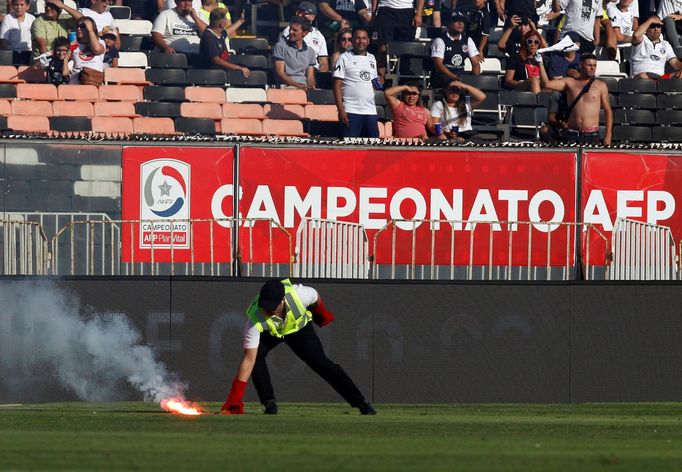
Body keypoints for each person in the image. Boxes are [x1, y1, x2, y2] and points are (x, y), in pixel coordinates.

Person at [220, 279, 377, 416]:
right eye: (264, 306)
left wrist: (320, 314)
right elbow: (249, 359)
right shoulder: (254, 317)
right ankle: (269, 403)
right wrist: (235, 397)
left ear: (282, 301)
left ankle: (362, 403)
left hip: (299, 330)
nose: (266, 311)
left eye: (271, 307)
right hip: (271, 333)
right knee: (256, 357)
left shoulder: (301, 295)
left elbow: (316, 298)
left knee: (321, 363)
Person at [539, 53, 612, 145]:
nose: (592, 68)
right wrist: (540, 64)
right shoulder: (570, 82)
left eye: (594, 65)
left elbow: (608, 111)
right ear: (581, 65)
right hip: (572, 133)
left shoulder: (600, 85)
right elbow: (547, 84)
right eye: (589, 65)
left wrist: (608, 136)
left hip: (591, 134)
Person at [333, 25, 380, 138]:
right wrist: (341, 110)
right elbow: (336, 86)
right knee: (350, 149)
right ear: (353, 41)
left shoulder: (372, 58)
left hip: (370, 111)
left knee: (373, 148)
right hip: (351, 110)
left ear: (368, 41)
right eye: (357, 38)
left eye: (364, 38)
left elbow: (373, 81)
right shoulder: (344, 58)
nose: (361, 41)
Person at [371, 0, 425, 76]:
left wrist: (419, 14)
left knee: (406, 49)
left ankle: (403, 79)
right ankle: (381, 78)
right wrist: (373, 13)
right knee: (382, 48)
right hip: (385, 9)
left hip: (407, 11)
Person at [430, 12, 482, 89]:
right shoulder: (440, 40)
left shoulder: (468, 40)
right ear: (448, 24)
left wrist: (475, 78)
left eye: (462, 21)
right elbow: (439, 65)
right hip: (444, 76)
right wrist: (455, 77)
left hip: (460, 75)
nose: (460, 23)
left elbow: (475, 63)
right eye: (456, 21)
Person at [280, 2, 329, 72]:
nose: (299, 15)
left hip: (314, 71)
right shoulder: (289, 30)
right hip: (295, 70)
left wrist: (321, 77)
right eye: (298, 12)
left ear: (312, 17)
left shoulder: (319, 35)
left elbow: (324, 62)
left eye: (303, 13)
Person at [199, 8, 249, 76]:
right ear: (222, 24)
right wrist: (239, 68)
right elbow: (217, 61)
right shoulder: (209, 37)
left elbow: (229, 31)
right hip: (212, 76)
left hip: (223, 73)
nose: (227, 21)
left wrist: (241, 20)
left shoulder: (219, 33)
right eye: (226, 19)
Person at [630, 14, 682, 79]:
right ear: (646, 27)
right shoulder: (642, 39)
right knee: (643, 76)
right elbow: (636, 35)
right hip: (642, 77)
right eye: (652, 26)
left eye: (658, 25)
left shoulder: (665, 44)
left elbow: (676, 63)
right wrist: (650, 20)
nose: (656, 29)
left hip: (661, 79)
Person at [52, 0, 120, 48]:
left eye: (109, 0)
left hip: (107, 46)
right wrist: (63, 6)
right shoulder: (83, 11)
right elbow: (82, 18)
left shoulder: (108, 15)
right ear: (93, 0)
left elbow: (117, 40)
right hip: (89, 46)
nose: (107, 3)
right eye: (104, 0)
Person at [272, 17, 317, 90]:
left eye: (295, 30)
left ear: (305, 33)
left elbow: (310, 77)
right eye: (290, 29)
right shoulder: (280, 47)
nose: (290, 32)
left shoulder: (310, 52)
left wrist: (311, 87)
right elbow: (280, 73)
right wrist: (298, 87)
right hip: (286, 86)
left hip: (303, 87)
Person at [69, 16, 105, 85]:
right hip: (76, 84)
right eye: (77, 26)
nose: (79, 29)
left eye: (83, 26)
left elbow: (97, 49)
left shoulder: (101, 42)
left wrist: (90, 30)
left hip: (94, 83)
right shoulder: (73, 44)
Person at [0, 0, 35, 65]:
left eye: (22, 5)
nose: (19, 7)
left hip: (28, 53)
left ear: (27, 6)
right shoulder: (8, 18)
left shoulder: (32, 19)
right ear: (12, 6)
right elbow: (3, 40)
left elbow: (35, 39)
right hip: (12, 53)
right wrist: (8, 53)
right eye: (16, 4)